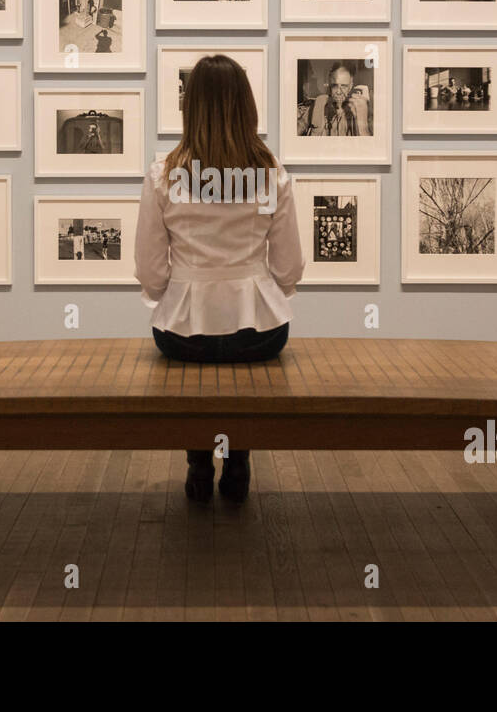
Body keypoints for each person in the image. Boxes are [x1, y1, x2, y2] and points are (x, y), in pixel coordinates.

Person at [135, 55, 305, 504]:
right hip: (260, 333)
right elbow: (289, 269)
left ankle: (197, 464)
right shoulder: (271, 174)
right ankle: (238, 462)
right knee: (238, 371)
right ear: (246, 108)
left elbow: (150, 272)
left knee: (199, 373)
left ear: (189, 109)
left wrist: (168, 296)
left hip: (181, 334)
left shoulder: (164, 175)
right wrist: (263, 289)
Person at [298, 63, 370, 136]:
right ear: (329, 85)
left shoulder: (359, 110)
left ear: (350, 86)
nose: (338, 92)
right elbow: (299, 126)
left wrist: (362, 124)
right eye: (334, 85)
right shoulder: (319, 102)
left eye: (344, 86)